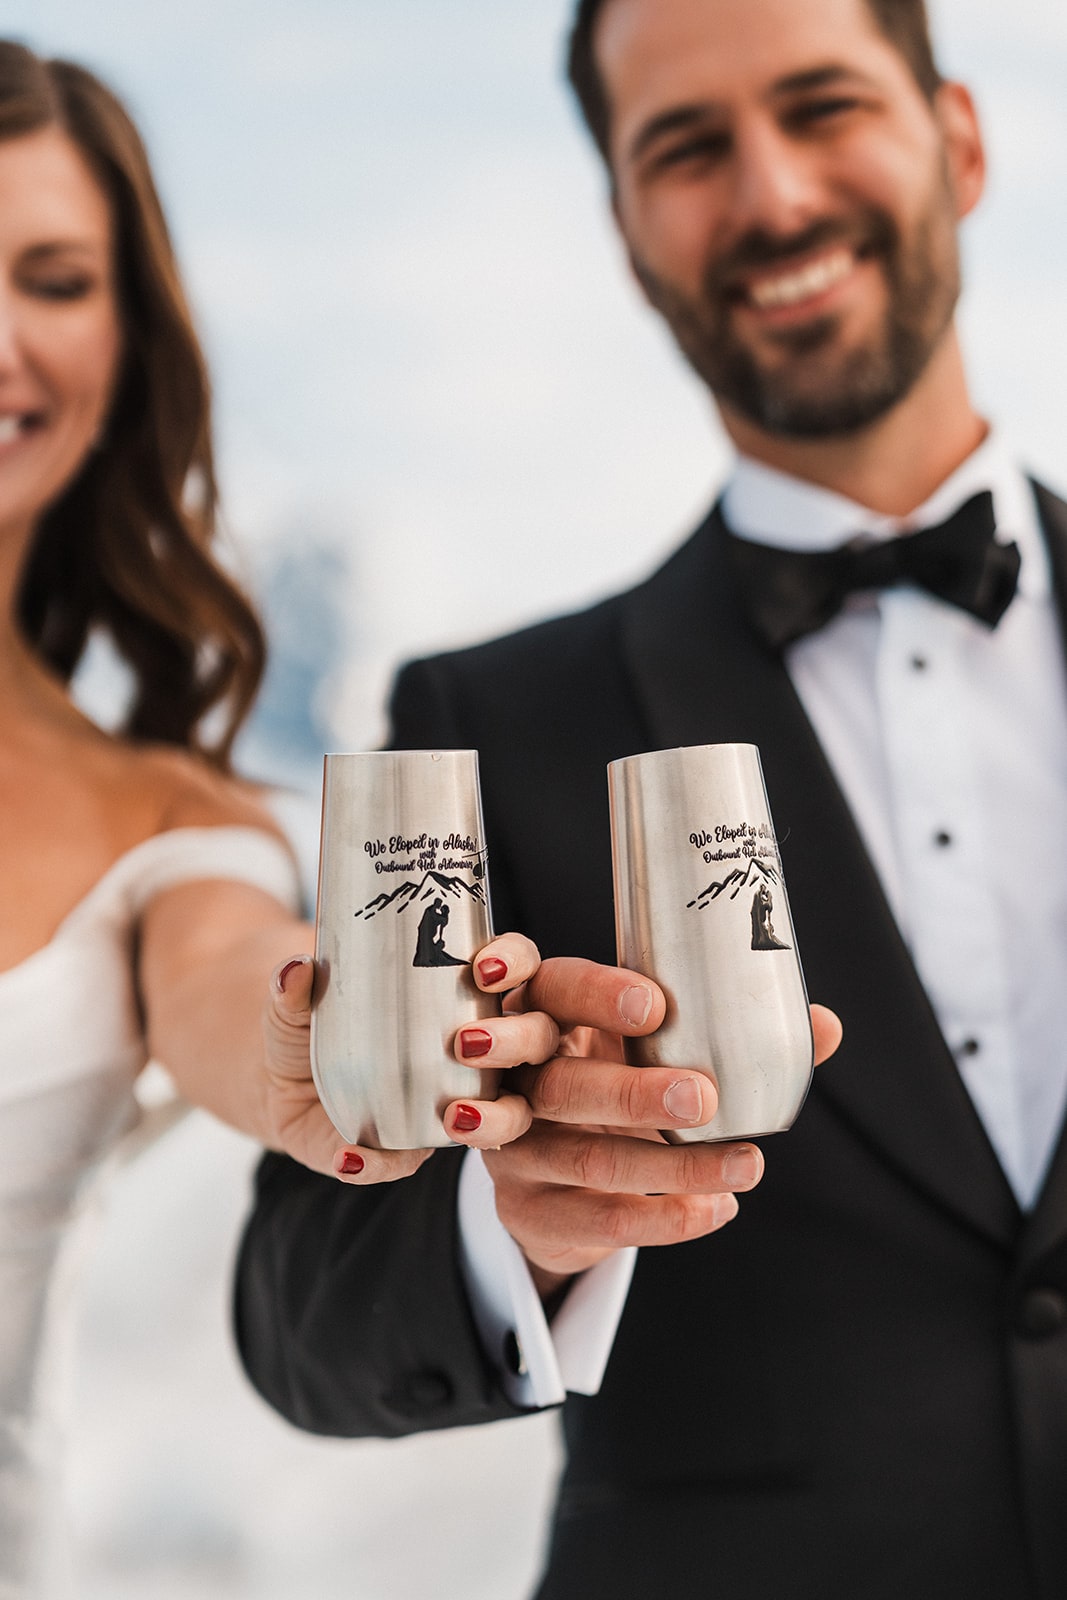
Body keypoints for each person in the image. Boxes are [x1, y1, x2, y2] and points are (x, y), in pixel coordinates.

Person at [235, 1, 1067, 1596]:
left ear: (960, 140)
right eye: (686, 148)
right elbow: (300, 1308)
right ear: (627, 235)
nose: (770, 195)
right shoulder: (477, 722)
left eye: (822, 106)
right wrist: (518, 1225)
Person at [0, 41, 552, 1596]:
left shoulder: (165, 826)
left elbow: (245, 985)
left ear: (127, 345)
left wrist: (338, 1054)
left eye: (52, 277)